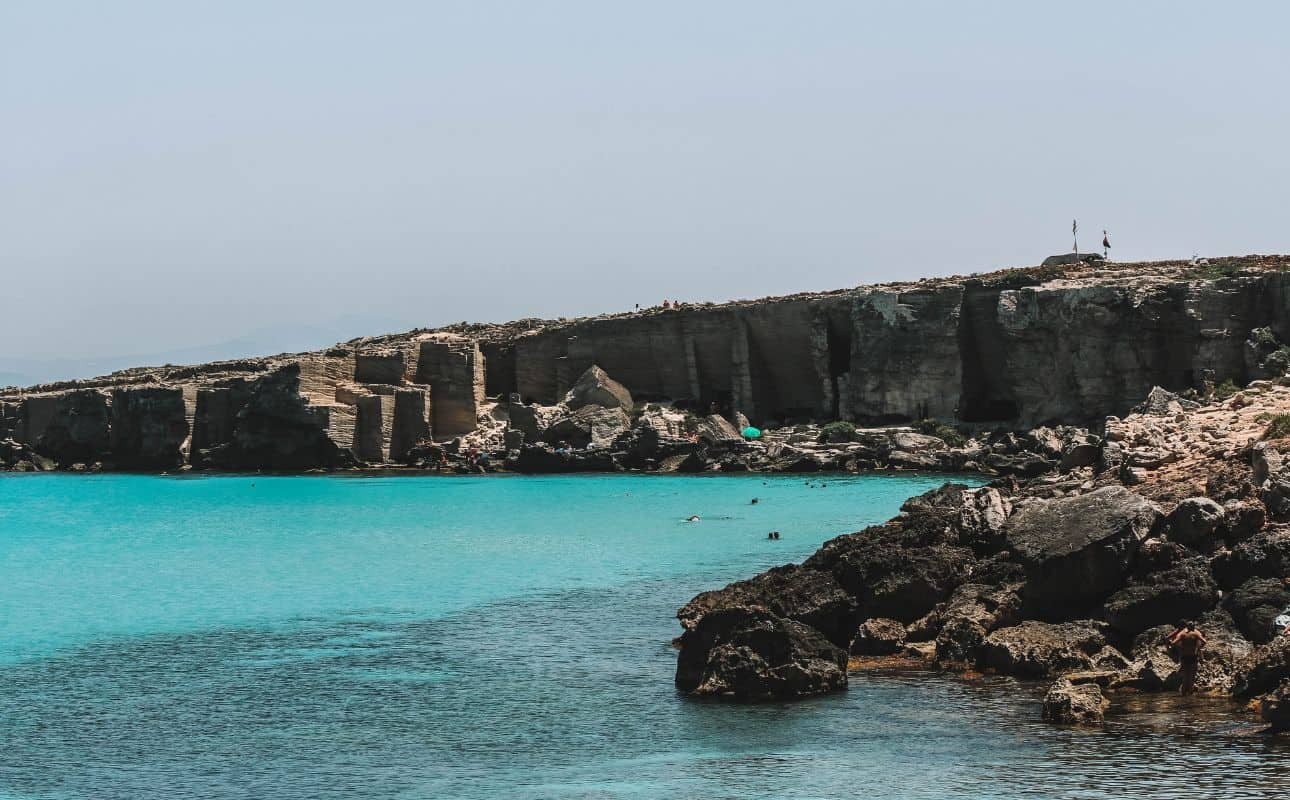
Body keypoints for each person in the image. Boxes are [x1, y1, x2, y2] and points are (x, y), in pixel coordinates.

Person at [1168, 621, 1207, 695]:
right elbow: (1204, 641)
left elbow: (1173, 643)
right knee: (1192, 675)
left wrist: (1180, 648)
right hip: (1193, 656)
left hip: (1184, 656)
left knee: (1186, 675)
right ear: (1193, 627)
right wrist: (1198, 648)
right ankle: (1190, 693)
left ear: (1186, 627)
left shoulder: (1182, 634)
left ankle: (1183, 694)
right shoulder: (1195, 634)